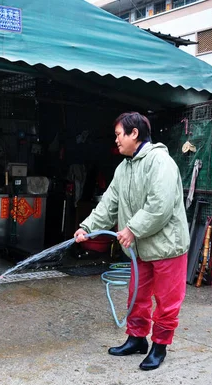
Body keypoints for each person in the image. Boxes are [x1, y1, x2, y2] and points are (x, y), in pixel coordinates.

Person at [74, 112, 189, 371]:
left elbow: (160, 206)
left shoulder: (161, 162)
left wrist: (133, 229)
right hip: (140, 248)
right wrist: (87, 227)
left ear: (133, 133)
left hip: (167, 246)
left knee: (167, 301)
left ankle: (159, 346)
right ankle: (137, 339)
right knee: (137, 295)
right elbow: (109, 203)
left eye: (118, 135)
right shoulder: (124, 168)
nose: (116, 140)